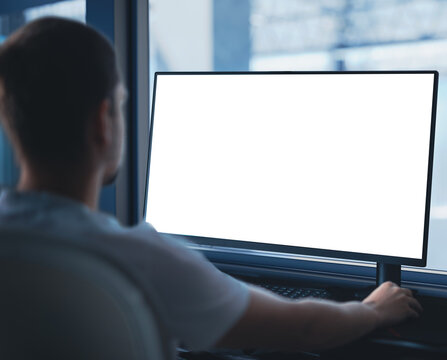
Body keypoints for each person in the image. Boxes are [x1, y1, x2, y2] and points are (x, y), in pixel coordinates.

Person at [0, 17, 422, 352]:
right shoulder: (141, 261)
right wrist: (372, 311)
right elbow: (307, 329)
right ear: (102, 122)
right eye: (122, 106)